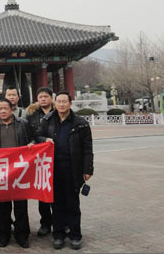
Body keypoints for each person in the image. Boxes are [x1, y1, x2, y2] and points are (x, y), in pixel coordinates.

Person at [36, 91, 93, 251]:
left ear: (70, 103)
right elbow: (37, 136)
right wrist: (44, 140)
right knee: (57, 205)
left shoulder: (80, 123)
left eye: (64, 101)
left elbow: (87, 148)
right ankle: (58, 235)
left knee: (73, 204)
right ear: (55, 103)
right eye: (59, 101)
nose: (61, 104)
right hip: (53, 169)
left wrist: (88, 169)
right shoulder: (47, 120)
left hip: (73, 169)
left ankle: (75, 235)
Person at [0, 99, 32, 248]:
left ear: (11, 110)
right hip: (0, 171)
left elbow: (33, 138)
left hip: (19, 170)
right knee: (1, 207)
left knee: (20, 206)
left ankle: (22, 235)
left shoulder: (23, 124)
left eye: (6, 108)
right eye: (0, 109)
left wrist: (32, 144)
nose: (3, 111)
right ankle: (3, 235)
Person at [26, 86, 55, 237]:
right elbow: (31, 135)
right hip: (40, 159)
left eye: (46, 96)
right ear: (37, 99)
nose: (43, 99)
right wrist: (38, 141)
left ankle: (60, 222)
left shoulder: (58, 112)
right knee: (42, 191)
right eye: (40, 97)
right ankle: (45, 223)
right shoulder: (32, 115)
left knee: (57, 193)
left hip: (56, 157)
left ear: (51, 98)